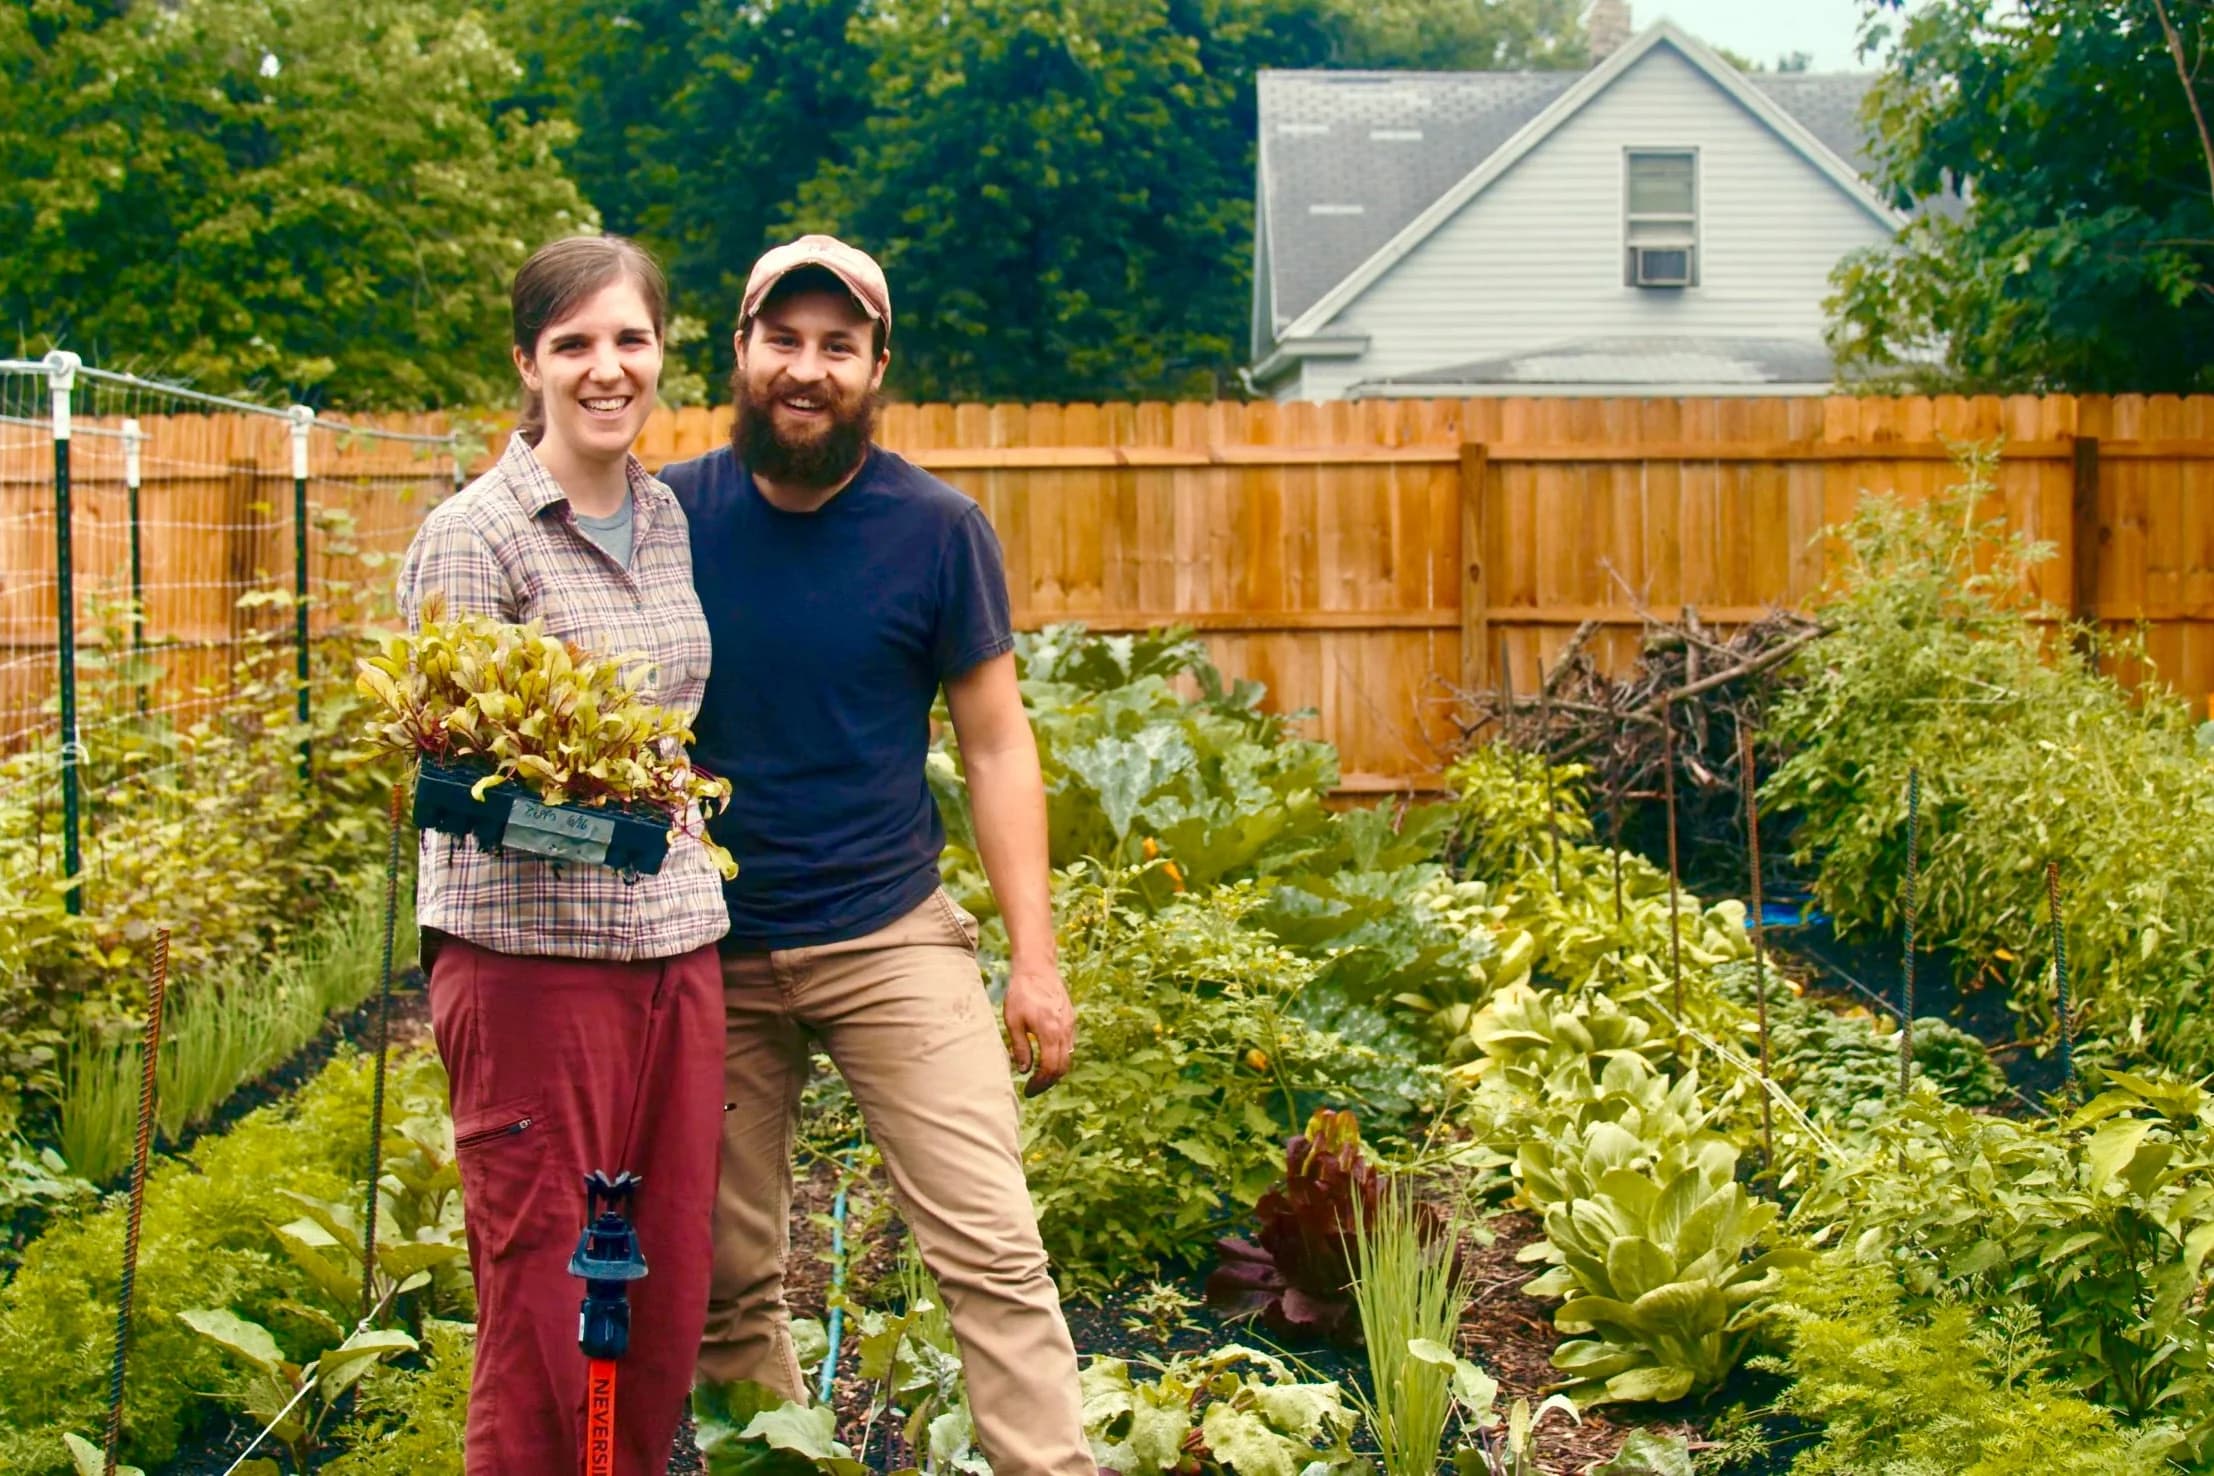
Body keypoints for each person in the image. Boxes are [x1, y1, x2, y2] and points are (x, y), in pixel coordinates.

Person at [662, 234, 1091, 1472]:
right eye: (784, 340)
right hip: (710, 947)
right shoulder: (667, 518)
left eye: (837, 346)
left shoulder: (938, 531)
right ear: (741, 351)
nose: (808, 369)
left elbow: (997, 747)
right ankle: (771, 1457)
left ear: (877, 368)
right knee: (722, 1275)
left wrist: (1035, 961)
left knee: (993, 1247)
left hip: (889, 935)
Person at [395, 234, 727, 1476]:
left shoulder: (668, 517)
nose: (607, 368)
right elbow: (452, 793)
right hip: (532, 967)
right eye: (574, 343)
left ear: (661, 352)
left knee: (665, 1284)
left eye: (631, 339)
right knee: (547, 1297)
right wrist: (599, 830)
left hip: (677, 953)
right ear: (528, 363)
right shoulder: (475, 537)